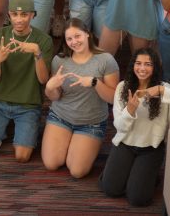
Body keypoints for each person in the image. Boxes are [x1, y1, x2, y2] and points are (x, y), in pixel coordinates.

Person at [99, 48, 170, 206]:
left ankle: (145, 175)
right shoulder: (123, 88)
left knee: (138, 199)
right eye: (138, 63)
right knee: (110, 190)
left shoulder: (165, 89)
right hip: (125, 143)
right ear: (133, 65)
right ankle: (124, 173)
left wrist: (160, 90)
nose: (142, 68)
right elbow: (119, 127)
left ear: (155, 67)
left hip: (151, 148)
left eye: (148, 64)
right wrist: (130, 110)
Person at [41, 19, 119, 178]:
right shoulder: (60, 60)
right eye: (69, 39)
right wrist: (50, 87)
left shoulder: (105, 60)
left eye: (78, 36)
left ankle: (81, 144)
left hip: (91, 123)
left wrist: (95, 83)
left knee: (77, 171)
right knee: (51, 163)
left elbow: (113, 99)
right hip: (61, 117)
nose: (74, 42)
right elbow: (55, 97)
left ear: (88, 34)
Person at [0, 0, 53, 162]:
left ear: (33, 15)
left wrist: (37, 53)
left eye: (24, 14)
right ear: (9, 15)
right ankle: (5, 128)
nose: (19, 19)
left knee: (22, 156)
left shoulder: (43, 40)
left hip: (28, 104)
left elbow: (43, 80)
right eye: (14, 14)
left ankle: (16, 129)